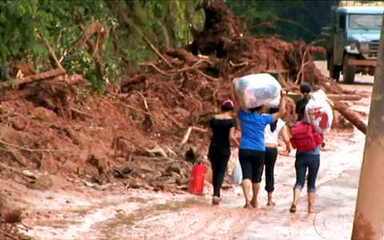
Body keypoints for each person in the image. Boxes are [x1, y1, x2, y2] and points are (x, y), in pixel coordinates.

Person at [238, 94, 286, 209]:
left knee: (246, 175)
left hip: (245, 148)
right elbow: (281, 112)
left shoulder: (244, 116)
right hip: (259, 150)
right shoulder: (263, 119)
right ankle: (255, 200)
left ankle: (247, 202)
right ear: (260, 108)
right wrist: (283, 97)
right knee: (256, 177)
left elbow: (237, 104)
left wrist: (237, 93)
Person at [289, 84, 321, 214]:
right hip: (314, 155)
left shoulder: (298, 125)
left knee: (299, 181)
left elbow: (294, 124)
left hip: (301, 154)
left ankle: (295, 202)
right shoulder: (316, 126)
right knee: (312, 182)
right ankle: (311, 209)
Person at [208, 99, 238, 205]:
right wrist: (238, 145)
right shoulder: (231, 121)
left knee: (215, 170)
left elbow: (209, 134)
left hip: (213, 148)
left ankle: (215, 193)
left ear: (222, 108)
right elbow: (231, 137)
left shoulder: (213, 119)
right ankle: (216, 194)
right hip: (224, 149)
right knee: (221, 171)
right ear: (231, 109)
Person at [263, 107, 292, 206]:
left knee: (257, 172)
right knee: (269, 172)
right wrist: (288, 149)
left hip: (260, 148)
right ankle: (269, 199)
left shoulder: (262, 117)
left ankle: (254, 198)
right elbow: (286, 139)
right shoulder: (280, 122)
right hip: (272, 149)